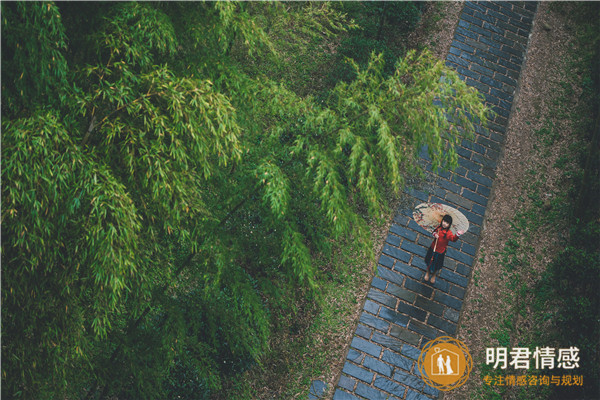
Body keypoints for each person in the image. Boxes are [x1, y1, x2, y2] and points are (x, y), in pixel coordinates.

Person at [424, 214, 464, 284]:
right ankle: (427, 272)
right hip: (433, 248)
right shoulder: (438, 228)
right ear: (442, 221)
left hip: (440, 251)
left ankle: (434, 275)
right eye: (444, 221)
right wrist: (434, 234)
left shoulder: (448, 233)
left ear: (449, 225)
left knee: (437, 264)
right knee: (429, 262)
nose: (444, 224)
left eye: (447, 223)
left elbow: (453, 239)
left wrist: (457, 234)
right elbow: (433, 231)